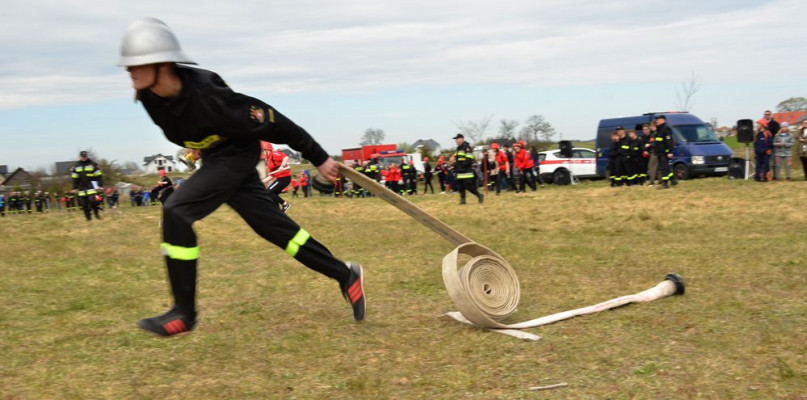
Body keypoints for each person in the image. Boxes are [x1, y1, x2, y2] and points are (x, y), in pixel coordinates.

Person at [118, 17, 365, 337]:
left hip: (236, 154)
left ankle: (184, 313)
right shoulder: (151, 98)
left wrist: (319, 158)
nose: (129, 71)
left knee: (176, 209)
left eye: (137, 64)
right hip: (217, 160)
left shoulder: (210, 95)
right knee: (278, 231)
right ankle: (346, 274)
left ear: (163, 64)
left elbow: (277, 123)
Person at [70, 150, 103, 220]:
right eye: (83, 156)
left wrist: (99, 185)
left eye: (85, 156)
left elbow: (99, 176)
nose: (84, 158)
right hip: (81, 187)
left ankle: (96, 214)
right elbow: (74, 178)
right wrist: (74, 188)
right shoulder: (76, 166)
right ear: (80, 157)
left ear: (87, 156)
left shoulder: (93, 164)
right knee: (83, 204)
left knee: (92, 201)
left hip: (91, 186)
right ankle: (88, 217)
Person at [451, 134, 483, 204]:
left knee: (469, 187)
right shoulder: (458, 149)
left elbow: (469, 159)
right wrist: (454, 165)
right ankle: (463, 200)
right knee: (460, 187)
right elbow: (458, 160)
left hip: (467, 172)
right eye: (455, 139)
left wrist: (460, 166)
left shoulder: (467, 147)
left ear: (461, 139)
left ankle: (479, 195)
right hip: (459, 172)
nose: (456, 141)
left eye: (457, 139)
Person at [260, 142, 292, 211]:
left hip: (284, 178)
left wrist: (282, 166)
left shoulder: (274, 154)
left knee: (269, 192)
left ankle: (285, 205)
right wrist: (261, 181)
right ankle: (277, 211)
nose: (262, 153)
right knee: (271, 195)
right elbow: (271, 175)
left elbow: (286, 157)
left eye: (263, 151)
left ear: (267, 150)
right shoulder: (268, 161)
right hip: (279, 178)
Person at [653, 115, 676, 189]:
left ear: (663, 120)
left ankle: (665, 184)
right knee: (664, 168)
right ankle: (673, 180)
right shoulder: (658, 130)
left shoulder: (666, 129)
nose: (657, 121)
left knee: (664, 169)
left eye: (659, 119)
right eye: (657, 120)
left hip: (664, 153)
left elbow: (669, 141)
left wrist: (670, 151)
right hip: (659, 152)